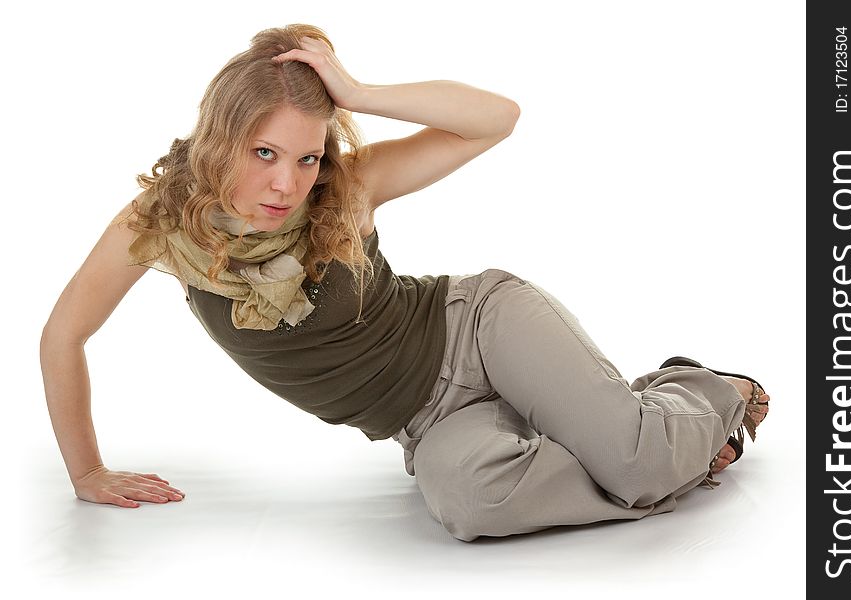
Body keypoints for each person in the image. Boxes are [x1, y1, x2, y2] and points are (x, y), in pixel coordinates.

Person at [39, 24, 770, 542]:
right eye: (264, 151)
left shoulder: (348, 189)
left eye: (306, 157)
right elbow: (64, 334)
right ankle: (626, 439)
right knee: (470, 507)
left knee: (637, 462)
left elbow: (496, 120)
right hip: (428, 422)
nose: (286, 182)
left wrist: (356, 91)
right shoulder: (160, 221)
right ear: (219, 136)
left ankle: (707, 397)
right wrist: (87, 471)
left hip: (482, 329)